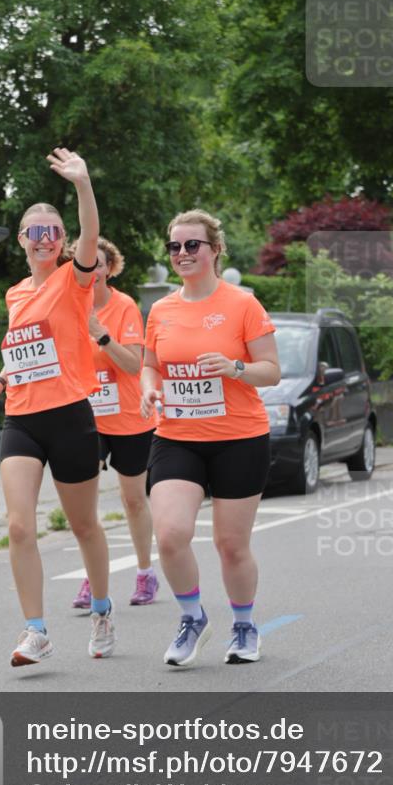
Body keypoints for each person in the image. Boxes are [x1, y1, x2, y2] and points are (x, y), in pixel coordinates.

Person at [0, 147, 116, 666]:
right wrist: (0, 382)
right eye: (36, 231)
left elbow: (91, 235)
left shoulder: (73, 281)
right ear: (22, 241)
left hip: (71, 418)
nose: (45, 238)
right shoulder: (13, 296)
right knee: (18, 525)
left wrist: (82, 184)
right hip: (23, 419)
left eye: (53, 232)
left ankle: (101, 609)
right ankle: (36, 630)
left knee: (84, 527)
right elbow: (29, 355)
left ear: (62, 243)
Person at [140, 209, 280, 667]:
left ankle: (243, 625)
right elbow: (150, 365)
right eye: (175, 247)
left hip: (239, 437)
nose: (182, 253)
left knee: (230, 544)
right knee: (171, 535)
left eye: (192, 245)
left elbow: (272, 371)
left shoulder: (243, 304)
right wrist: (148, 390)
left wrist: (236, 368)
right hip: (177, 436)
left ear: (215, 250)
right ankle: (192, 617)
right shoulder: (161, 309)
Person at [71, 237, 159, 610]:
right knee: (84, 506)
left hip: (127, 416)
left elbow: (133, 364)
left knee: (133, 499)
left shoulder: (124, 308)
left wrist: (100, 334)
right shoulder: (69, 305)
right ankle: (92, 578)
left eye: (100, 264)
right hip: (85, 416)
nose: (93, 270)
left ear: (109, 269)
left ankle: (144, 574)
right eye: (86, 264)